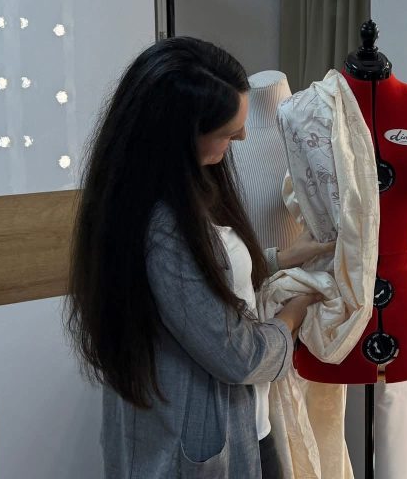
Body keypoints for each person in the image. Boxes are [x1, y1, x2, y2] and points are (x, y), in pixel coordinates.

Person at [66, 37, 332, 478]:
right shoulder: (164, 229)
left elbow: (208, 281)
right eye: (228, 132)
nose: (243, 137)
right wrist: (296, 312)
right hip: (199, 446)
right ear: (179, 135)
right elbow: (239, 356)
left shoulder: (167, 196)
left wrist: (280, 258)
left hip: (246, 420)